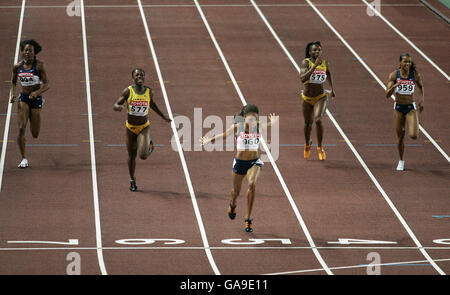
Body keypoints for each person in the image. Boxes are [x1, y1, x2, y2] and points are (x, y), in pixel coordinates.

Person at [200, 104, 278, 232]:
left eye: (256, 118)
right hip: (240, 163)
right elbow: (224, 135)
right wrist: (209, 140)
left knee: (252, 184)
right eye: (251, 118)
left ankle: (248, 219)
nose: (253, 121)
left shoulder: (259, 127)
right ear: (244, 118)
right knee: (235, 192)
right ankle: (233, 204)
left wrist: (272, 123)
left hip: (254, 162)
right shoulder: (237, 128)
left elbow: (268, 125)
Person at [113, 68, 171, 191]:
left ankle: (150, 146)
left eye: (142, 75)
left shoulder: (149, 91)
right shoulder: (128, 91)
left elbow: (152, 104)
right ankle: (132, 180)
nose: (140, 77)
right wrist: (118, 107)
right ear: (133, 77)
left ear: (144, 77)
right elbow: (116, 104)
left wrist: (163, 116)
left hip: (144, 127)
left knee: (143, 156)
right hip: (130, 128)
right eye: (137, 75)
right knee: (131, 156)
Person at [10, 39, 50, 168]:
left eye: (30, 50)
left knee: (35, 134)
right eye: (25, 50)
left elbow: (47, 84)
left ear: (34, 53)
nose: (27, 52)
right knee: (21, 128)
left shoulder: (39, 66)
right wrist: (12, 94)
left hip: (36, 99)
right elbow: (13, 82)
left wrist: (37, 92)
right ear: (22, 52)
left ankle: (41, 102)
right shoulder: (17, 66)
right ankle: (23, 158)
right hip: (24, 99)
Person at [385, 53, 424, 171]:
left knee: (413, 135)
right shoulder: (394, 75)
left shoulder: (414, 75)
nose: (407, 64)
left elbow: (421, 87)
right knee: (400, 136)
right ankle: (401, 161)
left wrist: (421, 100)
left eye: (409, 62)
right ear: (400, 63)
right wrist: (395, 86)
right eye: (405, 62)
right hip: (398, 108)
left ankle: (411, 123)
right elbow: (387, 94)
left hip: (410, 108)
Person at [299, 41, 335, 160]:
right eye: (314, 50)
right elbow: (303, 79)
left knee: (318, 120)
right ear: (310, 52)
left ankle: (320, 147)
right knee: (308, 124)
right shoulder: (306, 62)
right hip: (307, 98)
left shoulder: (325, 63)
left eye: (319, 50)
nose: (317, 52)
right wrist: (314, 67)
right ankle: (307, 145)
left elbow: (328, 74)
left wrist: (332, 88)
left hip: (321, 97)